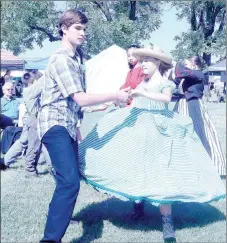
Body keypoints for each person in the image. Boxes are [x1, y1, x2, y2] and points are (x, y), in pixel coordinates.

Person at [78, 46, 225, 243]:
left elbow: (165, 99)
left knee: (161, 173)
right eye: (142, 61)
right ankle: (138, 208)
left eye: (148, 61)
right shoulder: (140, 83)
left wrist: (143, 93)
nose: (143, 65)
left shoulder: (165, 83)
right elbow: (128, 98)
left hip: (159, 129)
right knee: (137, 168)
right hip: (138, 128)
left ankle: (167, 222)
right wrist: (120, 100)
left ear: (157, 63)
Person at [37, 9, 129, 242]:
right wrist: (113, 96)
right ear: (63, 28)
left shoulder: (77, 59)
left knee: (68, 181)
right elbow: (79, 97)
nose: (83, 33)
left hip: (66, 124)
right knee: (69, 183)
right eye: (78, 28)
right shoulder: (62, 59)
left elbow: (74, 102)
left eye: (84, 29)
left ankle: (52, 232)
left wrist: (90, 112)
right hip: (54, 124)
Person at [173, 56, 226, 176]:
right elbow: (175, 78)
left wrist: (174, 62)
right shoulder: (187, 77)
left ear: (194, 65)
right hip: (182, 105)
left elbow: (180, 71)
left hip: (193, 105)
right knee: (178, 134)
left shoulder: (198, 74)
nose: (184, 67)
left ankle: (206, 166)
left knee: (198, 132)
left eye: (187, 64)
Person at [1, 73, 51, 177]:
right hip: (33, 120)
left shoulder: (27, 90)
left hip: (29, 119)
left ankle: (4, 161)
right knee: (35, 145)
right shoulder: (31, 90)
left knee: (23, 141)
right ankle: (31, 170)